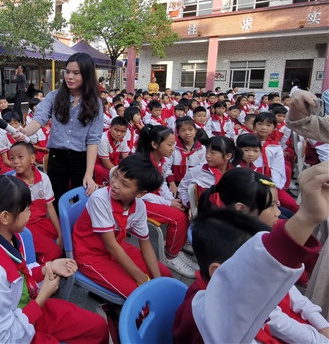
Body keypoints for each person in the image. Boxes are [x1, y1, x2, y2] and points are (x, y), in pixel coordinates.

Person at [174, 162, 329, 343]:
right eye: (271, 206)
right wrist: (306, 217)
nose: (277, 212)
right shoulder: (216, 317)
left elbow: (286, 288)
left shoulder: (246, 239)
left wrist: (322, 328)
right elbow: (268, 273)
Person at [0, 175, 109, 344]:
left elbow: (20, 275)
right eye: (27, 209)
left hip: (27, 312)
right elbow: (3, 339)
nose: (31, 213)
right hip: (16, 330)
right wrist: (42, 296)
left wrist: (48, 267)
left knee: (98, 327)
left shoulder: (11, 238)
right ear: (5, 217)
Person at [73, 154, 172, 297]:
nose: (115, 184)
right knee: (141, 295)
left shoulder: (139, 207)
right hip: (90, 253)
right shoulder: (100, 199)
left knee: (165, 277)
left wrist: (157, 280)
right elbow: (111, 245)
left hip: (116, 247)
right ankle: (111, 306)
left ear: (140, 193)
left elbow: (145, 243)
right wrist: (143, 280)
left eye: (125, 184)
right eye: (116, 176)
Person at [21, 53, 104, 209]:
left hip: (81, 160)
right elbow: (39, 119)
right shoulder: (54, 96)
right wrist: (24, 132)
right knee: (55, 200)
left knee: (79, 201)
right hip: (57, 158)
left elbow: (93, 140)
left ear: (86, 75)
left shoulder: (95, 104)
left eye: (76, 73)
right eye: (67, 72)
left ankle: (72, 223)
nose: (70, 77)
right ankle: (58, 224)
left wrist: (88, 173)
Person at [136, 125, 196, 277]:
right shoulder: (143, 163)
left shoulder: (161, 160)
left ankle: (176, 247)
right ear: (154, 144)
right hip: (138, 201)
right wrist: (168, 203)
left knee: (183, 207)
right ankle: (171, 256)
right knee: (177, 218)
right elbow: (141, 194)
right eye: (169, 144)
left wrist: (170, 199)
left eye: (174, 143)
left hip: (152, 198)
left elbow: (161, 183)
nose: (173, 148)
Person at [10, 142, 62, 264]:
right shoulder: (13, 184)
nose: (15, 161)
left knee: (66, 234)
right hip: (25, 225)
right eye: (12, 158)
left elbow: (50, 207)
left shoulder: (44, 178)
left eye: (20, 157)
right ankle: (40, 268)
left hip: (42, 221)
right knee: (53, 251)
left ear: (32, 158)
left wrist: (60, 234)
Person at [178, 136, 242, 208]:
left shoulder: (237, 173)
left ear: (228, 156)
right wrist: (191, 205)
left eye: (212, 153)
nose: (207, 156)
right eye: (207, 151)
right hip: (205, 212)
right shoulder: (197, 171)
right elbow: (182, 188)